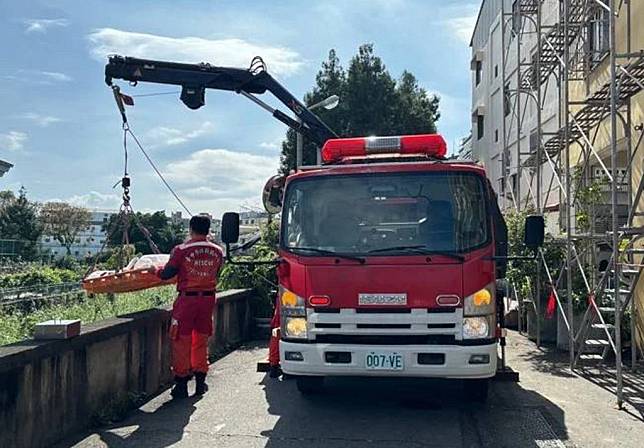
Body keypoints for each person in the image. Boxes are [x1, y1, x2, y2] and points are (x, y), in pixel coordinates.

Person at [157, 215, 224, 398]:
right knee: (201, 340)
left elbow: (167, 273)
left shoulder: (181, 249)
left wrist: (155, 272)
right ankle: (200, 382)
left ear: (190, 229)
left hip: (187, 300)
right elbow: (217, 272)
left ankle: (181, 384)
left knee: (181, 340)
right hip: (208, 300)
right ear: (208, 229)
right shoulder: (218, 251)